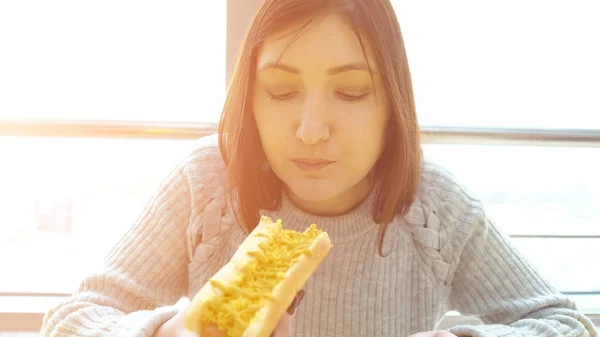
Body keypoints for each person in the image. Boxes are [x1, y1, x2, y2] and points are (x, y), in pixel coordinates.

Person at [41, 0, 598, 336]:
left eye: (352, 92)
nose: (310, 129)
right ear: (249, 100)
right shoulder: (205, 183)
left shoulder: (435, 208)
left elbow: (566, 324)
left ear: (392, 105)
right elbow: (73, 318)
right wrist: (167, 331)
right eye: (281, 91)